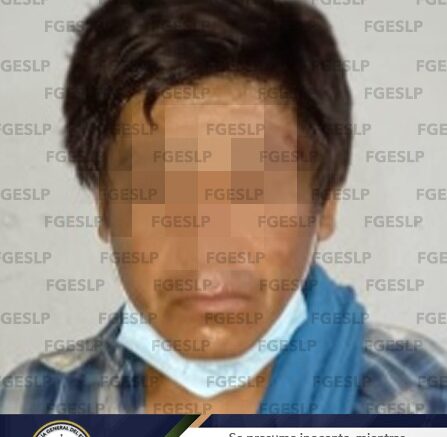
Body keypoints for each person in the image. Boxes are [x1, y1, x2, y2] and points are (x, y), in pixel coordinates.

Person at [1, 0, 446, 415]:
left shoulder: (419, 395)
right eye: (160, 187)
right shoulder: (34, 404)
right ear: (105, 208)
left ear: (325, 203)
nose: (207, 240)